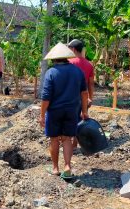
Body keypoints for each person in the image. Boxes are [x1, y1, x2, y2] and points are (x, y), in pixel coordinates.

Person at [40, 42, 89, 179]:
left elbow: (46, 97)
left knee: (54, 139)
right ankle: (67, 166)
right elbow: (84, 93)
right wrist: (84, 111)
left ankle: (55, 168)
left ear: (54, 59)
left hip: (55, 111)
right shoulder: (78, 71)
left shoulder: (51, 72)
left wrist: (42, 115)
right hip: (72, 111)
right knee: (67, 138)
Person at [68, 39, 95, 149]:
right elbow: (91, 84)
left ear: (73, 49)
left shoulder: (69, 63)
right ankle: (75, 145)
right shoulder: (89, 65)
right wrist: (90, 98)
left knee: (69, 121)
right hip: (84, 98)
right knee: (81, 120)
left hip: (70, 97)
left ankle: (68, 145)